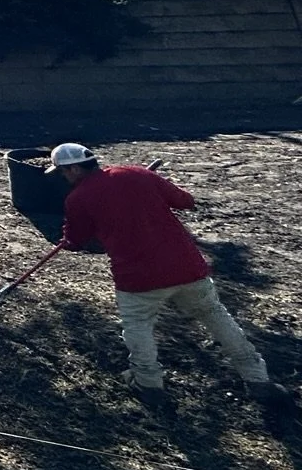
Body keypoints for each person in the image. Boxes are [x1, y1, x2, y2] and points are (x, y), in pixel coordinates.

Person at [52, 142, 294, 411]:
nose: (64, 178)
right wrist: (146, 190)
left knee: (138, 326)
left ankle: (148, 383)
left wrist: (78, 234)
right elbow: (186, 201)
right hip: (186, 267)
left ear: (73, 168)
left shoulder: (78, 198)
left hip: (138, 277)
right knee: (215, 315)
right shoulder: (137, 174)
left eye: (63, 173)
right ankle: (257, 378)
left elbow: (74, 240)